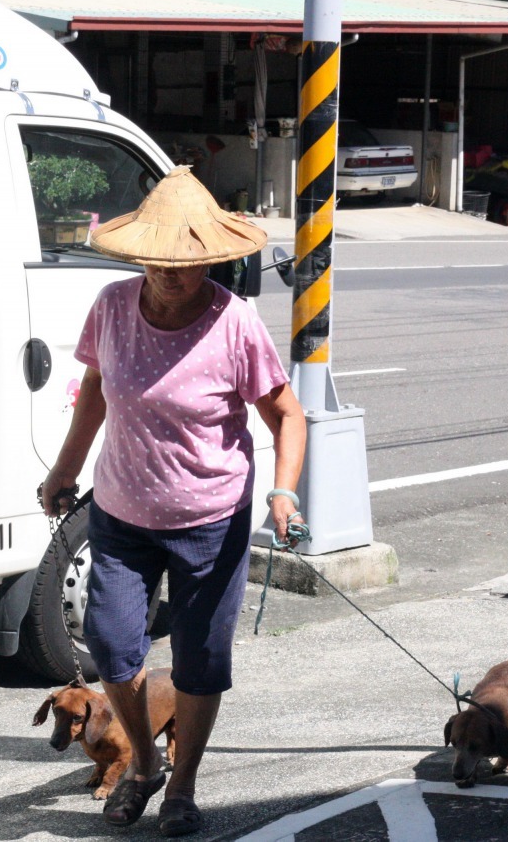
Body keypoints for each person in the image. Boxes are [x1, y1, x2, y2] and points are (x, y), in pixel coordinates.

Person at [39, 166, 307, 837]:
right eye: (160, 259)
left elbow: (288, 417)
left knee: (199, 660)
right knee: (112, 640)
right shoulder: (111, 306)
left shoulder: (234, 322)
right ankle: (145, 765)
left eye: (186, 263)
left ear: (211, 259)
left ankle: (180, 785)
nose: (171, 272)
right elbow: (95, 395)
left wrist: (282, 491)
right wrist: (64, 471)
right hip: (123, 515)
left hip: (210, 522)